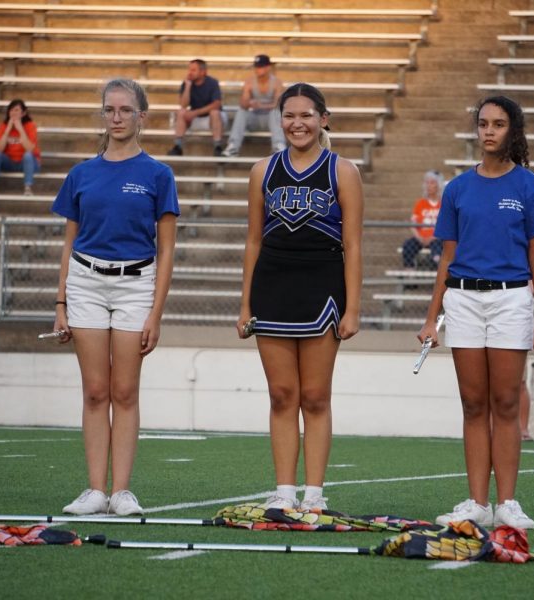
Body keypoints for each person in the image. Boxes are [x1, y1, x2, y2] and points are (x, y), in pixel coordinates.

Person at [418, 95, 534, 529]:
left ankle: (507, 503)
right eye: (483, 123)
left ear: (513, 130)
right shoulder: (456, 189)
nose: (489, 131)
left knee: (506, 403)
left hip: (512, 299)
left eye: (498, 124)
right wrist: (429, 317)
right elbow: (446, 257)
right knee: (473, 404)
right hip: (462, 301)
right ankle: (478, 502)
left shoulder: (531, 187)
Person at [51, 79, 179, 516]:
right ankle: (94, 490)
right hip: (85, 283)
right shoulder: (81, 174)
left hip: (135, 285)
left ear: (142, 116)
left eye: (126, 110)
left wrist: (156, 313)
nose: (117, 117)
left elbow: (167, 252)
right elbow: (69, 243)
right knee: (94, 391)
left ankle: (121, 491)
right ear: (103, 115)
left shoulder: (158, 175)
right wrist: (61, 303)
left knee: (124, 391)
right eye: (110, 110)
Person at [237, 83, 363, 511]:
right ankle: (283, 491)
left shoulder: (342, 171)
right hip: (272, 286)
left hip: (322, 287)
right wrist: (245, 304)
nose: (298, 123)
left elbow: (354, 245)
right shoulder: (262, 171)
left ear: (323, 119)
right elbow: (254, 241)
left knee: (315, 396)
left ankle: (314, 494)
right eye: (289, 116)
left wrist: (353, 308)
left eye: (306, 115)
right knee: (281, 395)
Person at [222, 55, 286, 157]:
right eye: (256, 67)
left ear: (268, 67)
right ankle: (233, 146)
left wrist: (260, 105)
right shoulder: (249, 82)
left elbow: (278, 104)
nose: (257, 69)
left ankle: (278, 145)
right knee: (242, 112)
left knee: (276, 112)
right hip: (254, 119)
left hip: (271, 121)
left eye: (260, 67)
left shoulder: (277, 82)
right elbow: (243, 104)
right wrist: (248, 103)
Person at [167, 59, 226, 156]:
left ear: (203, 72)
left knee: (214, 112)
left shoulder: (212, 83)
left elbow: (216, 104)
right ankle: (178, 146)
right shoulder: (186, 83)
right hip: (196, 118)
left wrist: (195, 112)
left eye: (193, 70)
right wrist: (188, 87)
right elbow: (184, 105)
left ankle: (218, 147)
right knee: (181, 112)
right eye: (189, 69)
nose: (190, 72)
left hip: (214, 118)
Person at [0, 99, 41, 196]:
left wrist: (20, 129)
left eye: (16, 110)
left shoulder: (30, 126)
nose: (13, 113)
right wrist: (8, 130)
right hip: (10, 162)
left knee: (27, 155)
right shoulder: (4, 126)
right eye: (11, 110)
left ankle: (28, 188)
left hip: (29, 163)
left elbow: (30, 149)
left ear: (23, 113)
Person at [401, 170, 444, 268]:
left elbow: (446, 226)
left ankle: (437, 267)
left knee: (438, 247)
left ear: (438, 185)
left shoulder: (444, 204)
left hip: (436, 239)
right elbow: (413, 225)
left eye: (432, 183)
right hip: (421, 238)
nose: (428, 186)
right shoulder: (420, 203)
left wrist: (433, 237)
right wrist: (420, 238)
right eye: (427, 183)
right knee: (408, 245)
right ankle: (409, 274)